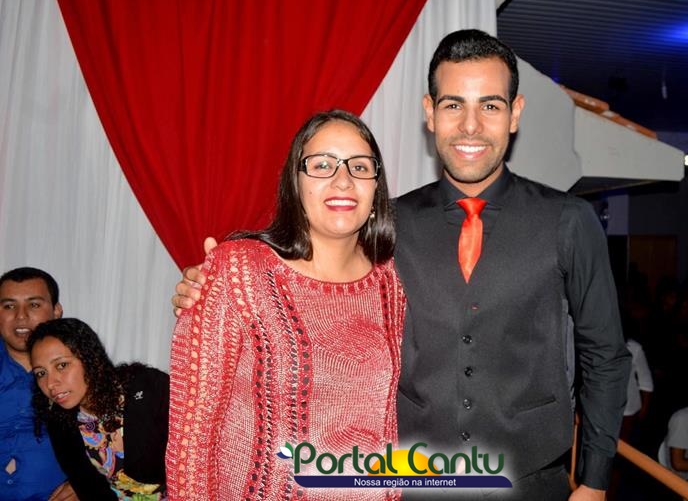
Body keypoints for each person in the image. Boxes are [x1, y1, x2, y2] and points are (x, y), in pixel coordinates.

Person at [173, 31, 629, 500]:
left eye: (490, 106)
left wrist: (594, 481)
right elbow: (311, 271)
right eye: (453, 105)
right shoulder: (387, 225)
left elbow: (606, 357)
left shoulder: (569, 221)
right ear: (430, 113)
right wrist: (209, 286)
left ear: (514, 114)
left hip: (531, 483)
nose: (470, 125)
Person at [165, 110, 405, 500]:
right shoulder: (239, 271)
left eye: (359, 167)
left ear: (375, 190)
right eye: (322, 165)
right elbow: (192, 438)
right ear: (296, 183)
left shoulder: (392, 283)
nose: (343, 180)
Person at [28, 318, 169, 500]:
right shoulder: (61, 422)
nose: (50, 383)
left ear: (89, 358)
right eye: (41, 373)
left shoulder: (149, 388)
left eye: (62, 365)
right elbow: (91, 490)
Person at [0, 267, 75, 500]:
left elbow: (117, 437)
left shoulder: (80, 366)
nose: (21, 316)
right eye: (9, 306)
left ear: (56, 311)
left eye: (33, 305)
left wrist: (90, 483)